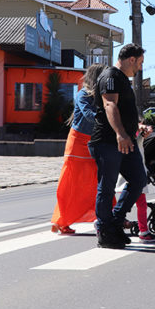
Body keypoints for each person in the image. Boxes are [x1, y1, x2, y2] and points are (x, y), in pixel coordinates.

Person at [89, 43, 150, 249]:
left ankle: (115, 221)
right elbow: (110, 105)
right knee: (107, 187)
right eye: (139, 63)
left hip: (126, 139)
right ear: (131, 59)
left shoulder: (122, 78)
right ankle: (105, 231)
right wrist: (120, 134)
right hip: (108, 141)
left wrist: (136, 126)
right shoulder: (111, 76)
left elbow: (123, 109)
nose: (139, 68)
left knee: (139, 178)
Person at [50, 63, 107, 235]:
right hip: (77, 143)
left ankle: (107, 216)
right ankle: (62, 221)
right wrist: (108, 117)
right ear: (97, 78)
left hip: (94, 142)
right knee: (71, 184)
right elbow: (89, 115)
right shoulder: (82, 94)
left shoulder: (103, 96)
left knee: (100, 181)